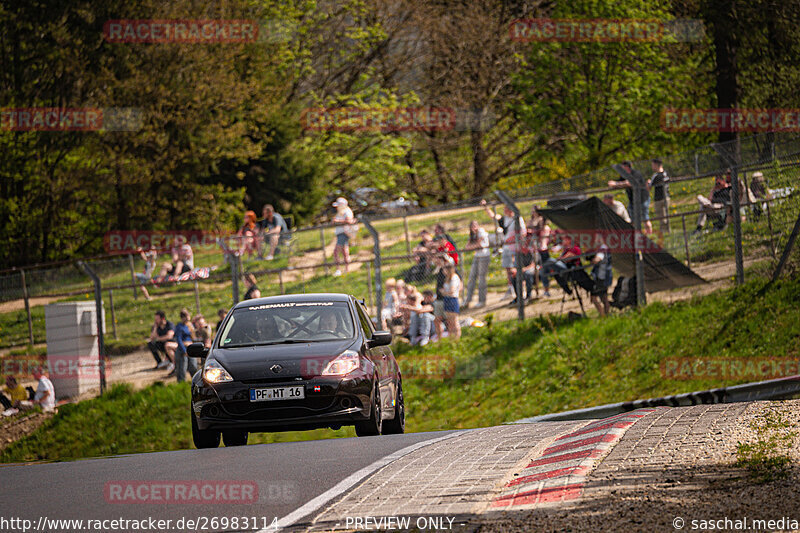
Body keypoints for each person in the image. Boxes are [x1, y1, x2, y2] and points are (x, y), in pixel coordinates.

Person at [481, 199, 525, 299]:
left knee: (516, 268)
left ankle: (521, 289)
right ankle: (511, 289)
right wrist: (486, 207)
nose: (504, 210)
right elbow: (494, 216)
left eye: (506, 208)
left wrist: (511, 239)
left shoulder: (518, 219)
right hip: (506, 248)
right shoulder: (505, 219)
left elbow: (522, 233)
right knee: (508, 269)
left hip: (515, 247)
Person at [608, 161, 652, 234]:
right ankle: (636, 236)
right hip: (632, 201)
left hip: (642, 199)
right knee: (632, 220)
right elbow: (613, 183)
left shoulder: (636, 173)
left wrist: (617, 184)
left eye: (622, 168)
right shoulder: (623, 176)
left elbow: (629, 183)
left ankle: (650, 235)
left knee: (645, 219)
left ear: (627, 167)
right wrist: (618, 183)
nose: (620, 171)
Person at [462, 220, 490, 309]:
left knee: (481, 279)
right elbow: (467, 247)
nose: (474, 227)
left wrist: (474, 245)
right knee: (471, 277)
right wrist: (474, 245)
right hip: (477, 256)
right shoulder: (472, 235)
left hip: (484, 256)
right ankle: (468, 300)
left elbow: (479, 244)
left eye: (475, 225)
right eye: (472, 226)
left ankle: (482, 301)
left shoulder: (481, 231)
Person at [332, 197, 356, 276]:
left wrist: (337, 221)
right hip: (341, 233)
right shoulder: (340, 213)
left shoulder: (346, 212)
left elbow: (349, 221)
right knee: (345, 252)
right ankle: (347, 269)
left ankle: (338, 270)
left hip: (344, 233)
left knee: (336, 252)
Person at [172, 308, 198, 382]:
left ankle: (196, 381)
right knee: (182, 367)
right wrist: (184, 350)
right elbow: (179, 339)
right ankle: (181, 383)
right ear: (182, 318)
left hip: (190, 347)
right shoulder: (179, 327)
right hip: (182, 349)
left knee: (193, 366)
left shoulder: (189, 326)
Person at [590, 243, 613, 316]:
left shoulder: (602, 249)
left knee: (593, 298)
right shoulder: (606, 247)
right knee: (604, 297)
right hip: (606, 276)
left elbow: (598, 259)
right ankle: (607, 315)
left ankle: (602, 316)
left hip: (601, 277)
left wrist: (592, 260)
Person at [441, 263, 462, 340]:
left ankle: (457, 337)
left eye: (444, 269)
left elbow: (452, 290)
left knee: (454, 321)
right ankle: (451, 337)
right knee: (449, 321)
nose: (443, 271)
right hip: (447, 299)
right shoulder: (447, 278)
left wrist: (444, 292)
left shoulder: (454, 277)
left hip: (452, 299)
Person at [650, 158, 670, 233]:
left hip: (659, 199)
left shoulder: (655, 176)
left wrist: (648, 183)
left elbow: (649, 186)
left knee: (661, 216)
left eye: (652, 165)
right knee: (665, 215)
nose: (652, 167)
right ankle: (667, 230)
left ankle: (664, 231)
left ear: (656, 165)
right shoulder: (666, 173)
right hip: (666, 197)